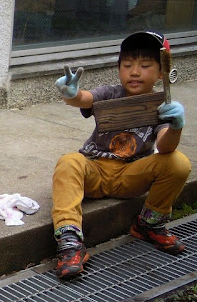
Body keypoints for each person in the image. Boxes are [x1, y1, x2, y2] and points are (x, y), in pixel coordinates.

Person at [51, 31, 190, 280]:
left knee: (179, 162)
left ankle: (149, 224)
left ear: (162, 72)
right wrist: (71, 94)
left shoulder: (162, 106)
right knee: (68, 162)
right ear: (119, 69)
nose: (134, 72)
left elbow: (165, 147)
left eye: (145, 65)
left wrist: (176, 126)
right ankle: (70, 240)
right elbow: (85, 99)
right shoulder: (110, 93)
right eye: (127, 65)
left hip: (131, 175)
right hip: (94, 169)